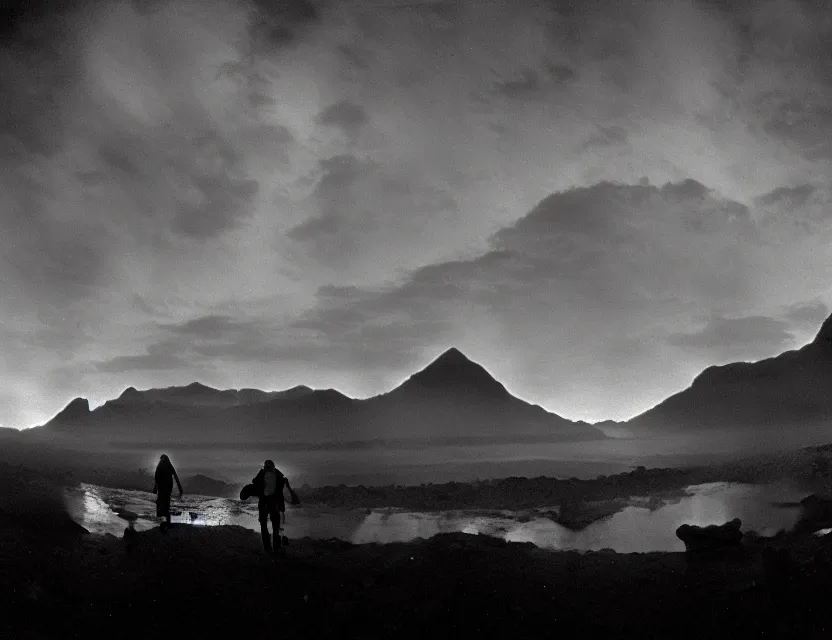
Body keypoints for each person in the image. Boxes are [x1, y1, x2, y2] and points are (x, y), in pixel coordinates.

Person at [251, 460, 296, 554]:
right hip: (274, 504)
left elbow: (255, 484)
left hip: (263, 503)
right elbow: (281, 492)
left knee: (263, 526)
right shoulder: (279, 475)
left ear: (265, 466)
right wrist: (281, 506)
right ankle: (276, 547)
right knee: (276, 527)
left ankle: (267, 549)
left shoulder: (262, 473)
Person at [152, 454, 183, 529]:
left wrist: (180, 488)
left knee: (164, 505)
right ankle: (168, 522)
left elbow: (174, 476)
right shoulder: (164, 466)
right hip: (163, 489)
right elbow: (157, 478)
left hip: (165, 489)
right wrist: (155, 488)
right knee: (163, 505)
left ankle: (169, 522)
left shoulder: (164, 466)